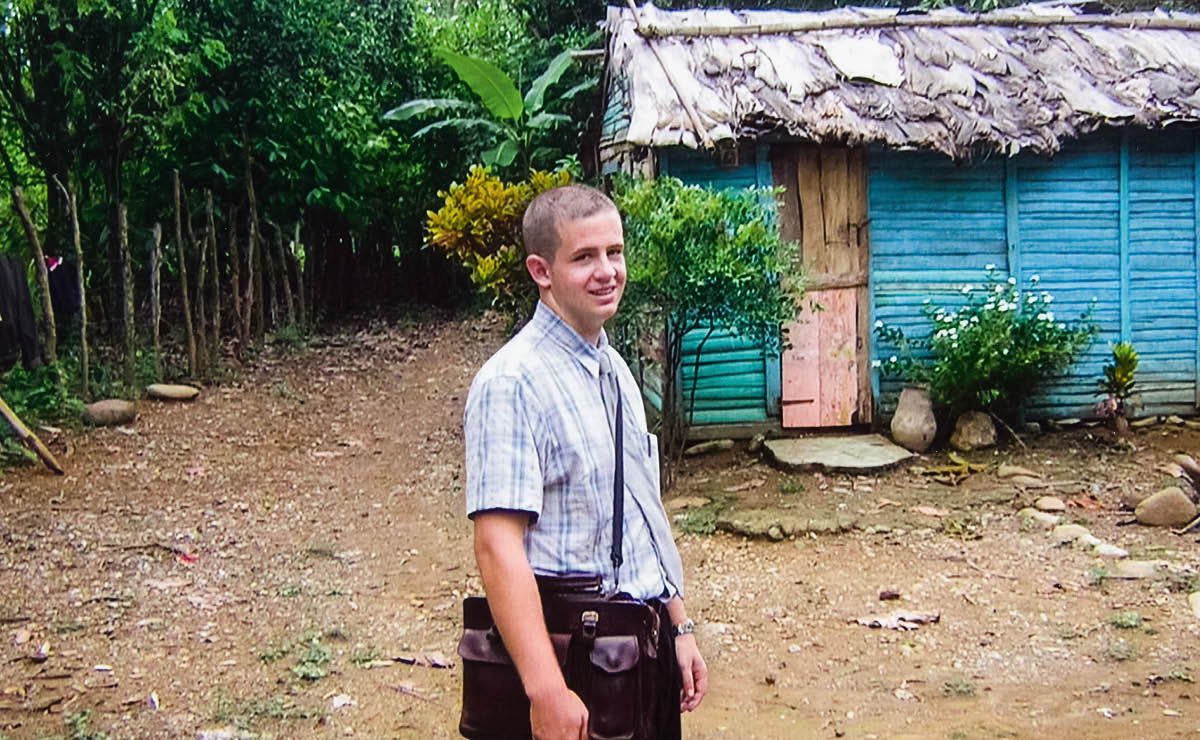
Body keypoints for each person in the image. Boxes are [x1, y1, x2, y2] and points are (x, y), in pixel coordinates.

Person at [464, 183, 707, 740]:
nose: (607, 272)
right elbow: (497, 545)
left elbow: (642, 515)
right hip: (570, 654)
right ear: (541, 271)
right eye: (584, 257)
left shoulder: (614, 370)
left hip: (634, 647)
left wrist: (679, 625)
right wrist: (546, 690)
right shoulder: (512, 383)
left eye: (614, 252)